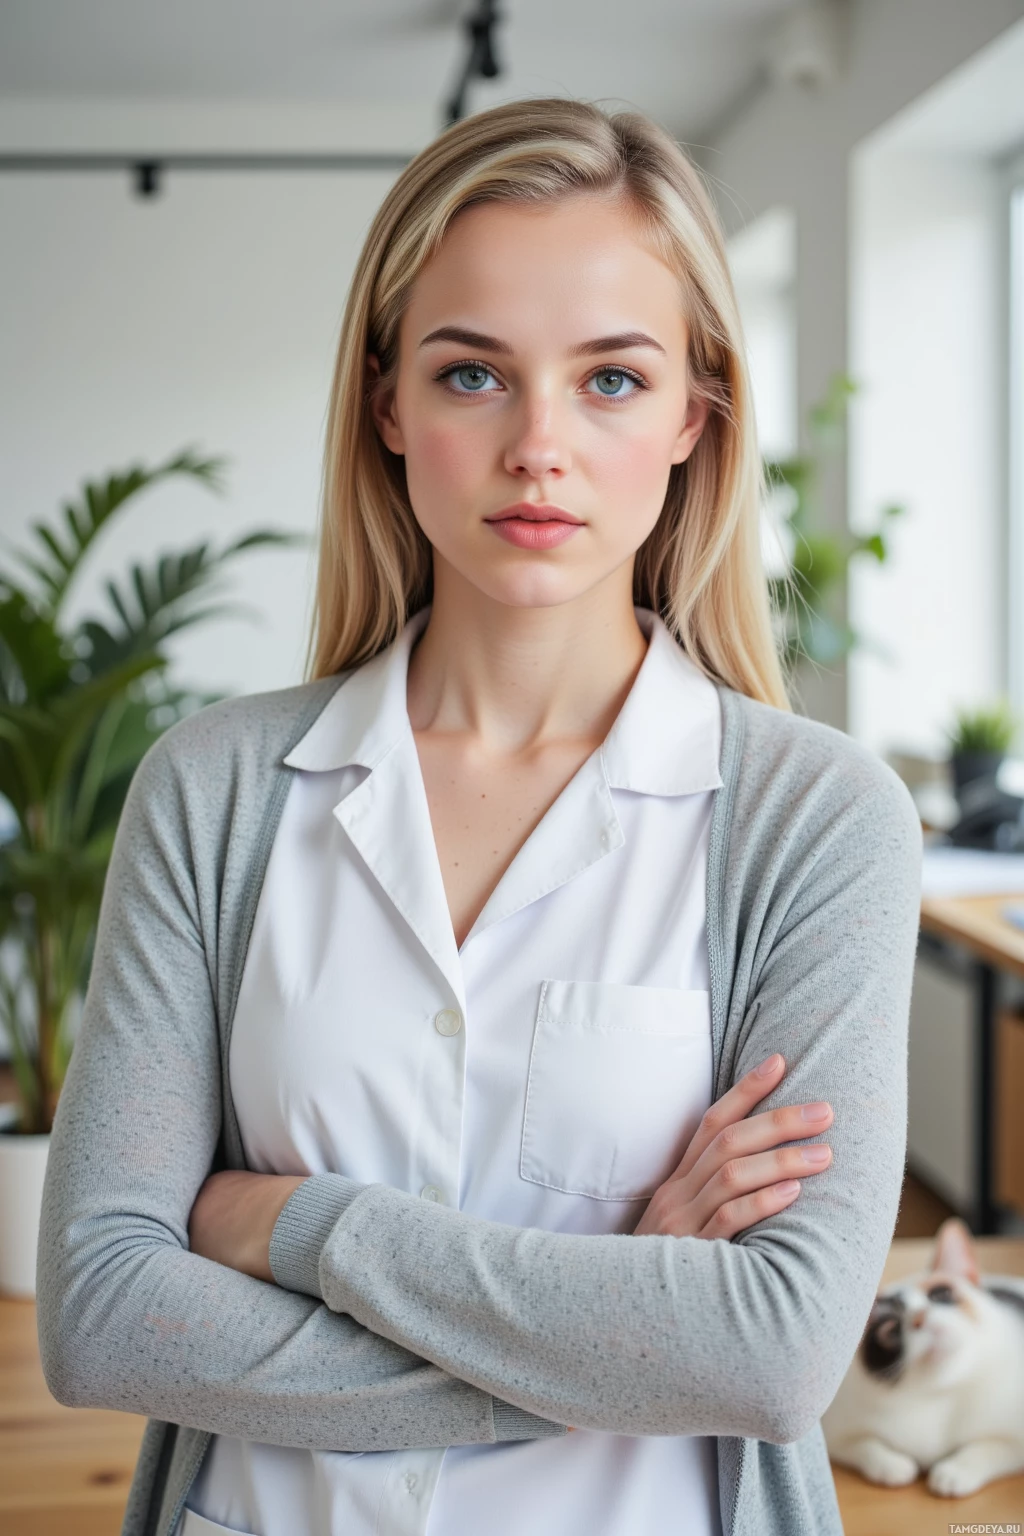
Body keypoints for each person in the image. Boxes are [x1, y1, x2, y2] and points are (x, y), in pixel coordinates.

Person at [37, 98, 922, 1536]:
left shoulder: (817, 824)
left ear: (700, 414)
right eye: (472, 375)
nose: (539, 446)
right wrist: (628, 1317)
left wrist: (294, 1227)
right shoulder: (212, 792)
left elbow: (768, 1352)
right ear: (387, 402)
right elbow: (105, 1315)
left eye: (613, 380)